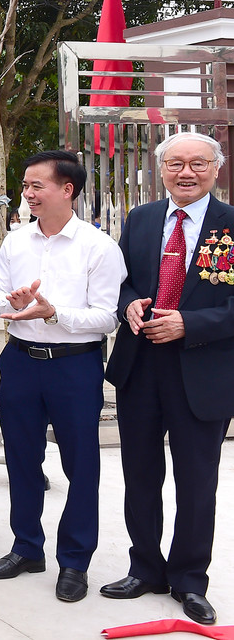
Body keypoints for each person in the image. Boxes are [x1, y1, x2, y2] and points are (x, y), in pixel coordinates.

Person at [101, 132, 234, 626]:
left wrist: (191, 323)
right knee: (140, 475)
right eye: (175, 163)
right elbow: (122, 281)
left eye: (198, 163)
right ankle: (145, 568)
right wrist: (128, 304)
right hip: (142, 367)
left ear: (215, 169)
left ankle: (189, 580)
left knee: (197, 483)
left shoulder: (232, 225)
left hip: (204, 371)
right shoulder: (141, 219)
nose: (186, 172)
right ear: (161, 169)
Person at [0, 150, 124, 604]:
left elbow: (106, 317)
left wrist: (53, 312)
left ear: (68, 190)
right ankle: (26, 548)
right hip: (20, 361)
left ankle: (75, 561)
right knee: (21, 459)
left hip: (74, 366)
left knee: (80, 466)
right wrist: (14, 302)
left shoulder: (99, 248)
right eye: (25, 186)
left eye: (36, 186)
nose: (27, 195)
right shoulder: (17, 242)